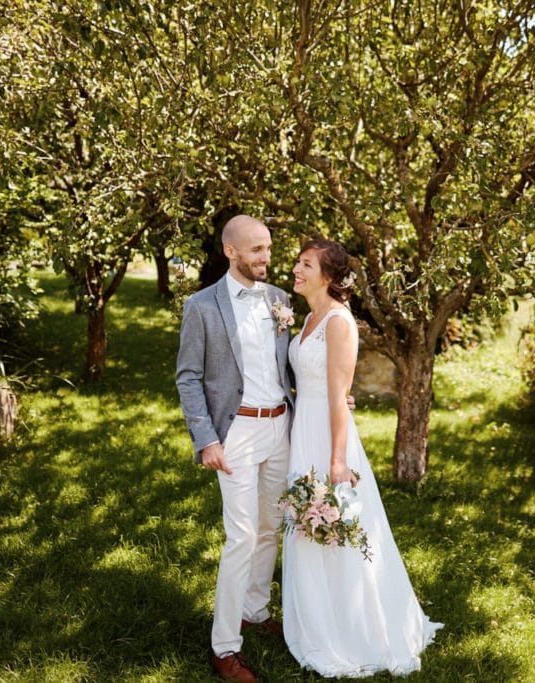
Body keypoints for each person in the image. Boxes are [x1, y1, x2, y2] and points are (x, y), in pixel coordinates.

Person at [282, 239, 443, 678]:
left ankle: (354, 628)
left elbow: (337, 396)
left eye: (306, 264)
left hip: (329, 437)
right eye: (298, 261)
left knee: (336, 525)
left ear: (329, 277)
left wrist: (337, 462)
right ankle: (316, 619)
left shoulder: (338, 322)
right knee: (305, 527)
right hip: (304, 430)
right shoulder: (309, 318)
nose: (296, 269)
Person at [176, 215, 294, 682]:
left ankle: (256, 611)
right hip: (237, 433)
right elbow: (188, 377)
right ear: (231, 252)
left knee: (270, 526)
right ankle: (224, 646)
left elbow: (288, 366)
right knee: (241, 537)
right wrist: (205, 438)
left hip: (280, 428)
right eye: (256, 250)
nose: (266, 257)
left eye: (268, 248)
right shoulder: (202, 306)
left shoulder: (280, 299)